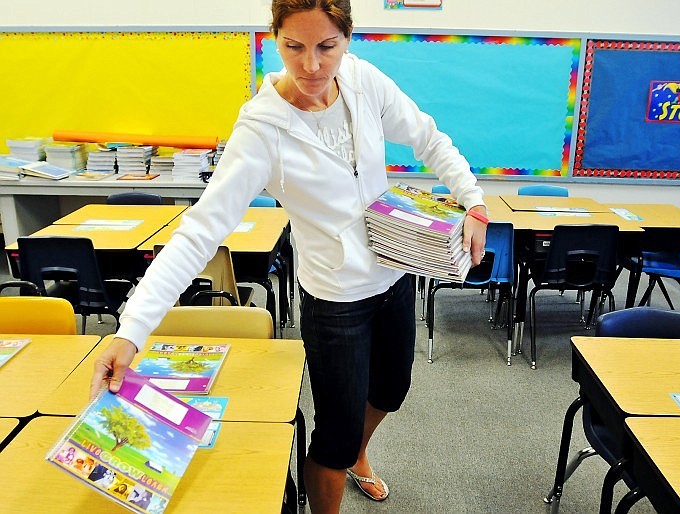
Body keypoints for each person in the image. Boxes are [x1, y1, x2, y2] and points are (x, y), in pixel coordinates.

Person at [89, 0, 488, 512]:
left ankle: (356, 454)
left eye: (327, 47)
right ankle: (343, 460)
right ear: (274, 38)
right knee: (333, 435)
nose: (312, 67)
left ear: (347, 38)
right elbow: (199, 232)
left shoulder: (364, 82)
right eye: (294, 47)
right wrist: (131, 330)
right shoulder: (262, 129)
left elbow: (429, 138)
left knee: (391, 391)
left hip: (392, 278)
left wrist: (473, 201)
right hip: (334, 301)